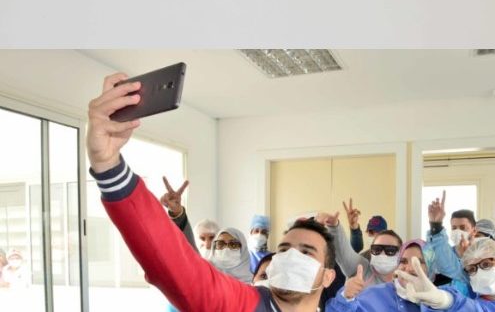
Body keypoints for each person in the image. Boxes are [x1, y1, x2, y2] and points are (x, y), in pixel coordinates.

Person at [86, 72, 336, 311]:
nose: (291, 257)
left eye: (306, 252)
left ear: (328, 277)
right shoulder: (241, 304)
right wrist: (108, 166)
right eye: (283, 250)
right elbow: (174, 263)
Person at [393, 238, 495, 311]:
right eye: (472, 269)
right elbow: (461, 304)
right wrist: (445, 300)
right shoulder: (474, 307)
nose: (479, 272)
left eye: (486, 264)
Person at [325, 239, 431, 311]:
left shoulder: (438, 301)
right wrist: (345, 297)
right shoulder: (373, 295)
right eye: (403, 261)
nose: (409, 268)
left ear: (431, 267)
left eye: (419, 262)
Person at [319, 209, 402, 288]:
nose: (382, 254)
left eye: (390, 250)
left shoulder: (405, 283)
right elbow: (345, 254)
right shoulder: (362, 268)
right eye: (377, 249)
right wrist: (334, 227)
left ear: (401, 253)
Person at [423, 191, 475, 294]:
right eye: (454, 228)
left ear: (474, 230)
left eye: (463, 227)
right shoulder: (443, 253)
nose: (458, 231)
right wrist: (435, 225)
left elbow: (463, 277)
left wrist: (467, 258)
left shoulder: (481, 256)